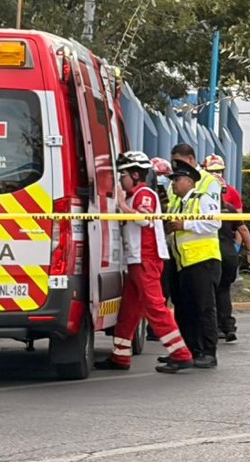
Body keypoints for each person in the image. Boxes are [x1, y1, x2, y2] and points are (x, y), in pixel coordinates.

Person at [94, 151, 195, 373]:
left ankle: (180, 354)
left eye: (123, 175)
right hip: (135, 260)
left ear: (136, 175)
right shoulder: (133, 196)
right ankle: (120, 356)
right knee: (129, 311)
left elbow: (144, 218)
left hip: (146, 258)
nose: (121, 179)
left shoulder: (144, 193)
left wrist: (121, 204)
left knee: (155, 308)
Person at [163, 159, 223, 369]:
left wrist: (184, 224)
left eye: (177, 179)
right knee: (185, 309)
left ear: (189, 181)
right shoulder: (179, 203)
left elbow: (215, 222)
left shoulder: (203, 198)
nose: (173, 184)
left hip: (203, 261)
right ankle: (188, 350)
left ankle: (208, 352)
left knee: (204, 308)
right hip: (184, 263)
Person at [201, 154, 250, 342]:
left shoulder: (203, 205)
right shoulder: (229, 208)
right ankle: (228, 326)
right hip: (229, 253)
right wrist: (248, 251)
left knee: (213, 292)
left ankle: (216, 327)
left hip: (213, 253)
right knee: (224, 291)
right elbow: (243, 228)